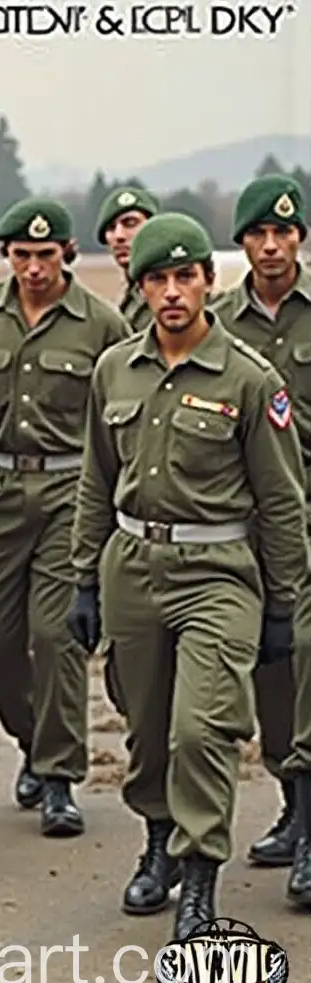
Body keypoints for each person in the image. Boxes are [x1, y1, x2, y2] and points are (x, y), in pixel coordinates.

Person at [67, 211, 308, 939]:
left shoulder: (249, 378)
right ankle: (157, 842)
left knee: (201, 730)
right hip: (134, 567)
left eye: (185, 276)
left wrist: (282, 607)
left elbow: (281, 502)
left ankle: (200, 874)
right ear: (138, 287)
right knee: (146, 730)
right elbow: (93, 480)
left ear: (208, 280)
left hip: (220, 573)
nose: (172, 292)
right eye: (158, 279)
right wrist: (85, 579)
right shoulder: (115, 369)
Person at [0, 197, 132, 837]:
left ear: (67, 255)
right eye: (22, 256)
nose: (33, 268)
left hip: (69, 492)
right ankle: (33, 739)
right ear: (7, 255)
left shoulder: (101, 326)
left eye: (45, 255)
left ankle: (58, 778)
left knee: (55, 636)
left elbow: (123, 416)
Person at [211, 173, 311, 904]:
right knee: (269, 667)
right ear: (242, 244)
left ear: (300, 238)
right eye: (258, 235)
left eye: (284, 233)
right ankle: (290, 797)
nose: (272, 247)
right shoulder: (218, 324)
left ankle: (309, 826)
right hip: (248, 521)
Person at [95, 185, 161, 332]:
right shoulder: (126, 299)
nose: (119, 236)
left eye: (130, 224)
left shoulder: (170, 292)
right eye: (111, 228)